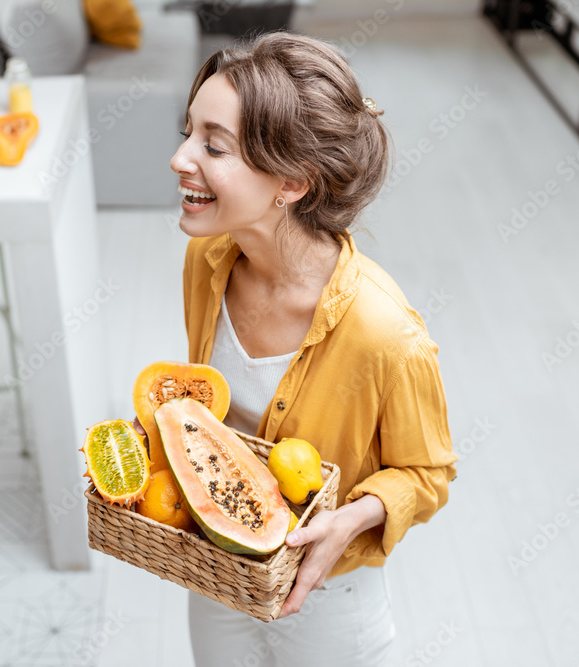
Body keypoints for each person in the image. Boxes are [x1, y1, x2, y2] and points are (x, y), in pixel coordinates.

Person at [168, 32, 459, 666]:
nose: (180, 158)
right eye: (187, 132)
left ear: (293, 183)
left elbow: (428, 474)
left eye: (213, 146)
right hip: (219, 573)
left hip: (330, 599)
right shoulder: (206, 262)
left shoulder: (386, 334)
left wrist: (353, 519)